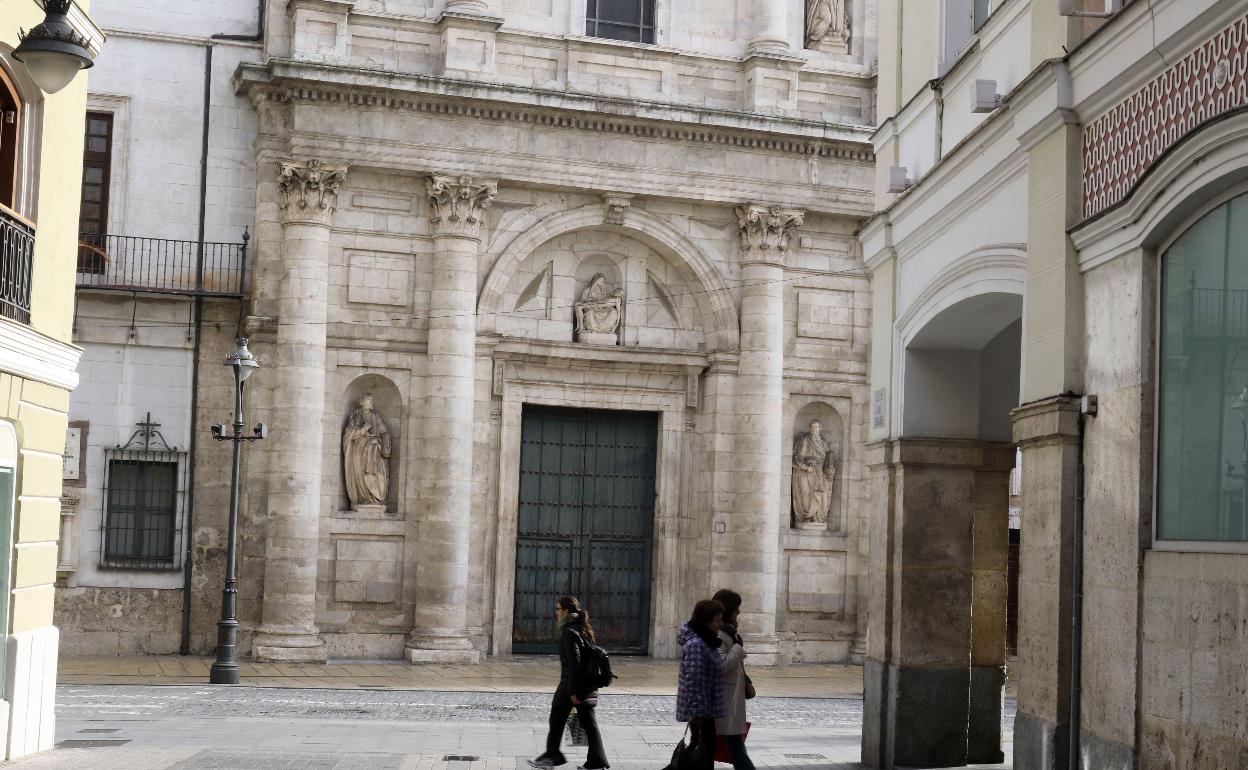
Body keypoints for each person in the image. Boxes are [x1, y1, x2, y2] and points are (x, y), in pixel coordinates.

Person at [529, 596, 609, 770]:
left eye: (558, 609)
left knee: (559, 719)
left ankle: (552, 757)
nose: (556, 613)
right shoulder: (583, 629)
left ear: (565, 611)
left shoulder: (569, 633)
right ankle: (594, 762)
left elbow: (575, 664)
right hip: (585, 685)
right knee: (588, 725)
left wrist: (573, 692)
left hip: (572, 686)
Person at [676, 599, 726, 770]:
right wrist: (696, 713)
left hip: (707, 709)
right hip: (701, 712)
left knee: (705, 754)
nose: (721, 623)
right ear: (706, 621)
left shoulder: (707, 641)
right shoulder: (696, 645)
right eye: (717, 620)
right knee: (702, 754)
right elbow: (694, 680)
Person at [712, 590, 754, 770]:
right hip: (723, 700)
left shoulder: (729, 631)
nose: (739, 612)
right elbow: (720, 665)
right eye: (736, 609)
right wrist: (738, 647)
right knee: (736, 747)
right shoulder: (720, 634)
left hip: (729, 699)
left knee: (732, 745)